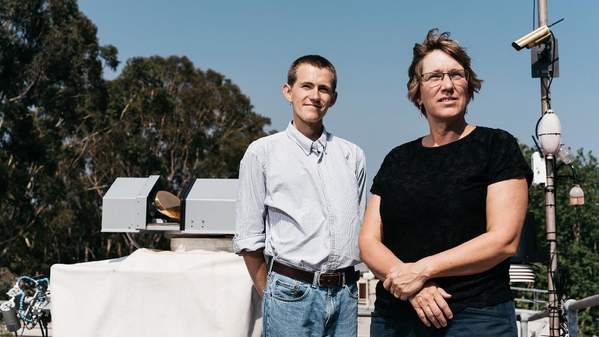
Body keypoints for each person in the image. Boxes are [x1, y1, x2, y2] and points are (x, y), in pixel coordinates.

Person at [359, 29, 532, 337]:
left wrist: (421, 271)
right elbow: (369, 242)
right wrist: (415, 289)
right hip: (395, 319)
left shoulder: (496, 146)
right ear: (417, 91)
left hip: (475, 317)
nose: (448, 85)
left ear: (469, 85)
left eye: (456, 75)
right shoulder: (397, 159)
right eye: (435, 77)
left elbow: (503, 239)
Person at [233, 55, 367, 337]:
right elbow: (248, 239)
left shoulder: (352, 155)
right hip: (290, 295)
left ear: (333, 98)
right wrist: (271, 294)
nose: (314, 96)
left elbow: (359, 230)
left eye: (324, 89)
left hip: (345, 294)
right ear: (288, 91)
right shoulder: (262, 153)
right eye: (306, 86)